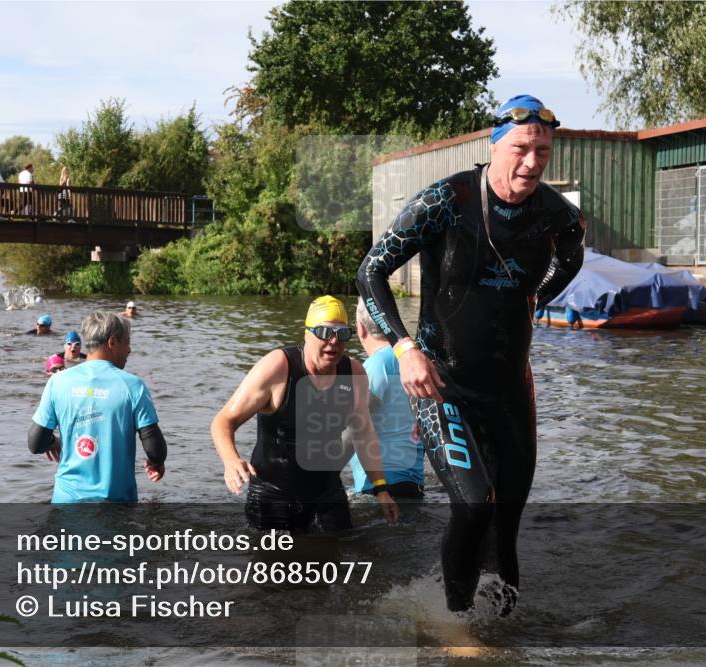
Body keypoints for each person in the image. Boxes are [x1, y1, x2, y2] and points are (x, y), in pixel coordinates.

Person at [357, 95, 585, 613]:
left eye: (543, 152)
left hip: (509, 388)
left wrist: (533, 299)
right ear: (497, 142)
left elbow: (568, 265)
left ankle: (504, 632)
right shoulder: (446, 200)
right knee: (473, 507)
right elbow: (371, 271)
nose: (532, 163)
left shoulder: (559, 218)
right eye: (523, 149)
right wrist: (405, 347)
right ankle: (457, 628)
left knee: (505, 525)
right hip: (444, 383)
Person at [211, 296, 398, 532]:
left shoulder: (353, 374)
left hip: (326, 493)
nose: (333, 341)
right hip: (273, 494)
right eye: (324, 332)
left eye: (342, 334)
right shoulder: (278, 367)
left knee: (338, 563)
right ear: (307, 333)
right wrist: (230, 461)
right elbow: (223, 421)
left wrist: (381, 488)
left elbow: (364, 434)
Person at [28, 311, 167, 503]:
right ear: (112, 343)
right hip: (116, 505)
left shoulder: (58, 382)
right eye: (127, 342)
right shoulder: (133, 386)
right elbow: (155, 448)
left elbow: (35, 444)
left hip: (66, 503)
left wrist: (52, 441)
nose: (129, 350)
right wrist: (157, 462)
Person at [347, 298, 425, 500]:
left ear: (360, 328)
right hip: (413, 482)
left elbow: (355, 424)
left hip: (381, 486)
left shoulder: (376, 365)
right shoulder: (413, 362)